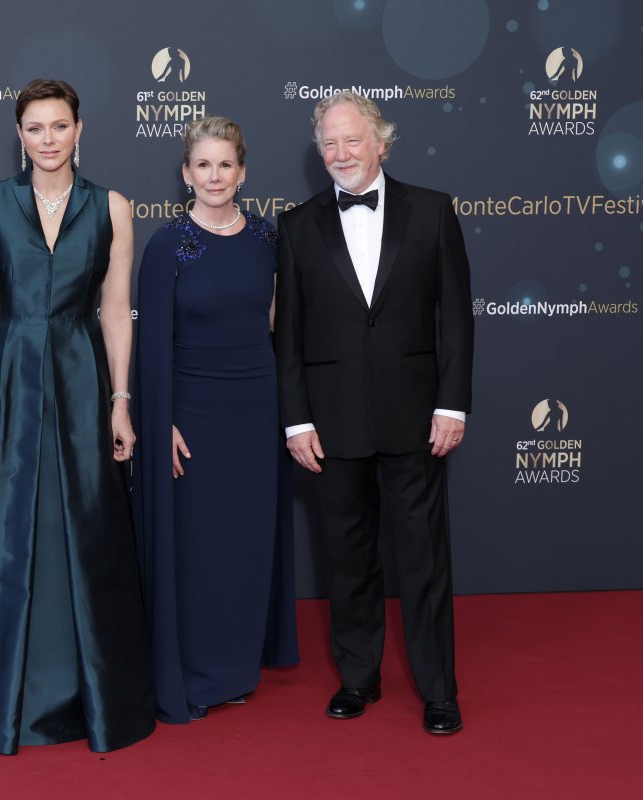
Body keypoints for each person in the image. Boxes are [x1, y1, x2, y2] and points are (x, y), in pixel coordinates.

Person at [0, 79, 156, 754]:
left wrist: (121, 401)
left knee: (83, 525)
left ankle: (85, 697)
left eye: (59, 126)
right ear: (18, 135)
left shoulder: (113, 207)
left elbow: (114, 311)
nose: (48, 139)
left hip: (80, 377)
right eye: (34, 128)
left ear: (81, 130)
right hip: (5, 375)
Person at [274, 91, 474, 735]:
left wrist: (451, 402)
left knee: (424, 558)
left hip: (417, 416)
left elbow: (456, 320)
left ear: (382, 143)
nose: (339, 154)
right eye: (328, 143)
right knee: (348, 558)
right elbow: (290, 337)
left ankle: (439, 689)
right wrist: (296, 420)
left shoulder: (434, 211)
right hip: (332, 424)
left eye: (351, 141)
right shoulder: (297, 225)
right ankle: (359, 677)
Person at [134, 116, 299, 724]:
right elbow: (150, 344)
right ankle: (195, 672)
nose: (214, 176)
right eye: (202, 165)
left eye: (225, 164)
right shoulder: (165, 245)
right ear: (185, 174)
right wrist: (163, 419)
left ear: (243, 172)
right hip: (191, 415)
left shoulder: (266, 238)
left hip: (256, 412)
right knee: (198, 549)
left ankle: (238, 667)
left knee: (246, 542)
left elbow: (279, 324)